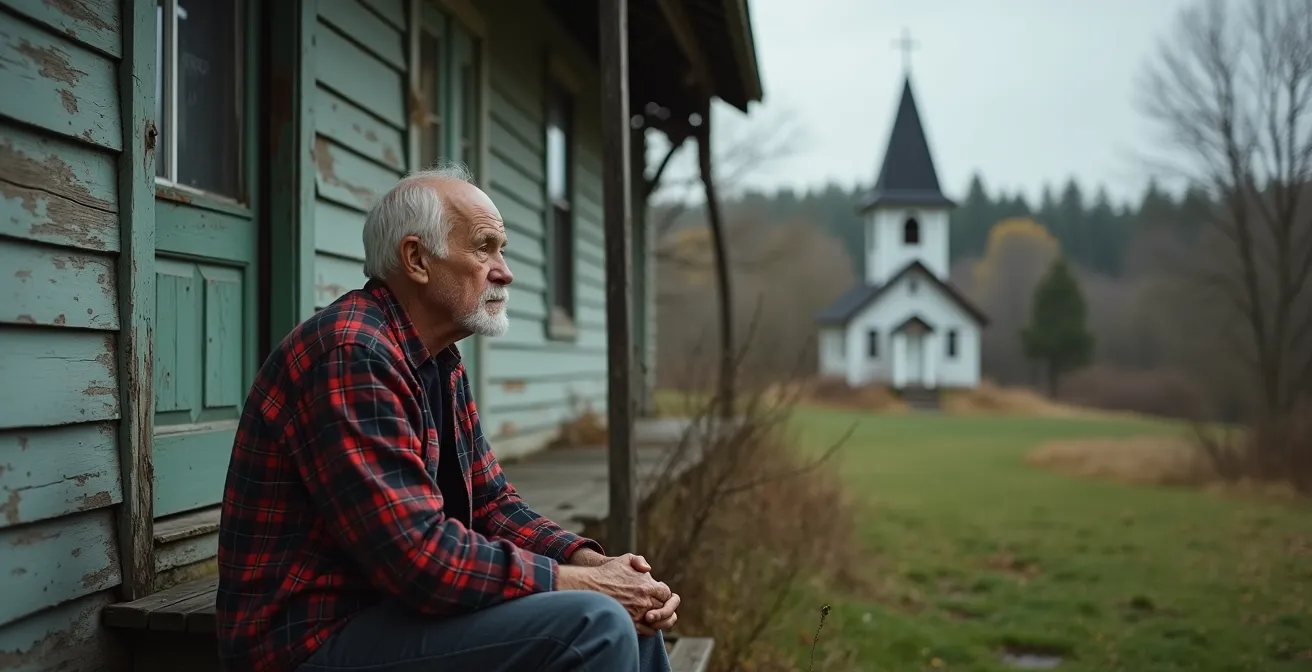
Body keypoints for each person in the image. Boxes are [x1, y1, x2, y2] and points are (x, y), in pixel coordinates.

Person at [216, 163, 680, 672]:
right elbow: (417, 558)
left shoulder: (437, 359)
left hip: (393, 614)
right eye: (484, 247)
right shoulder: (352, 353)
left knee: (631, 620)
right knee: (596, 622)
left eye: (501, 250)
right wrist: (585, 585)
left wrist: (590, 561)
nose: (504, 269)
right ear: (416, 258)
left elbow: (490, 503)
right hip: (308, 640)